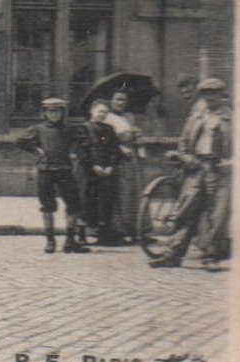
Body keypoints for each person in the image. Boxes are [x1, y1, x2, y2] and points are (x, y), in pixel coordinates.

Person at [150, 78, 231, 271]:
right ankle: (173, 254)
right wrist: (185, 158)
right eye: (206, 94)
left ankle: (210, 256)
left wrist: (233, 162)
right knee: (186, 210)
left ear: (221, 95)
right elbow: (184, 142)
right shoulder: (195, 117)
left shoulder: (232, 118)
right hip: (196, 168)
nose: (210, 98)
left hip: (219, 169)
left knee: (216, 214)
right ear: (202, 96)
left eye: (214, 93)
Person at [14, 97, 90, 254]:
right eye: (51, 111)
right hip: (46, 171)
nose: (54, 115)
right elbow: (20, 141)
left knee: (73, 205)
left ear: (63, 113)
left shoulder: (69, 130)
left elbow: (83, 142)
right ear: (45, 113)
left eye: (58, 111)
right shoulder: (38, 129)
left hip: (64, 171)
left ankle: (70, 240)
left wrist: (75, 152)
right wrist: (36, 150)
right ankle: (50, 240)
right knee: (47, 206)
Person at [78, 100, 123, 245]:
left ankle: (103, 234)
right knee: (86, 201)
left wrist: (111, 166)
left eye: (105, 112)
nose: (102, 115)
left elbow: (115, 150)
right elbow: (81, 150)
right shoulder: (83, 129)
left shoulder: (109, 129)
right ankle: (82, 234)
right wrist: (92, 165)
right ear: (92, 111)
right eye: (100, 111)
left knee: (105, 202)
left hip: (106, 171)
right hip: (88, 171)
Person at [103, 88, 143, 247]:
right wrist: (124, 140)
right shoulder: (107, 118)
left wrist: (137, 134)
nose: (121, 103)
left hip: (131, 158)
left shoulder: (129, 116)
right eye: (117, 99)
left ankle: (135, 230)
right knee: (120, 195)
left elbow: (132, 136)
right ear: (111, 101)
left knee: (134, 193)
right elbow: (107, 139)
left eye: (124, 100)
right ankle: (118, 231)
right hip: (117, 158)